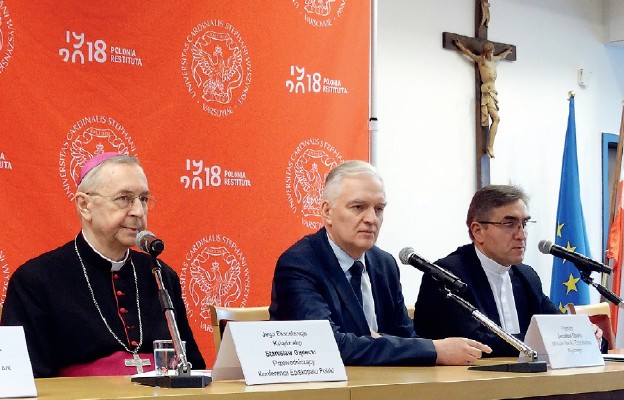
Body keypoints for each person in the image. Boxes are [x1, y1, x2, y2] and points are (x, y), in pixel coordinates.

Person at [1, 153, 205, 377]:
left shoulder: (160, 276)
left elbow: (193, 368)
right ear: (85, 205)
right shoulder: (36, 280)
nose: (138, 211)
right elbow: (25, 380)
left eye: (144, 199)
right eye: (124, 198)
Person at [270, 160, 491, 366]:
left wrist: (383, 343)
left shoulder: (384, 264)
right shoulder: (299, 264)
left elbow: (405, 337)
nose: (371, 219)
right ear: (327, 212)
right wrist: (434, 350)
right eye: (358, 207)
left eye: (379, 209)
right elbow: (325, 347)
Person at [413, 185, 602, 356]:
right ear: (478, 231)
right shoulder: (447, 275)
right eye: (509, 224)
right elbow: (478, 344)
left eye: (524, 224)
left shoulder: (526, 276)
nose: (521, 235)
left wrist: (583, 335)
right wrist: (551, 341)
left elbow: (556, 325)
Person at [453, 39, 512, 158]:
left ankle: (490, 146)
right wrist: (460, 45)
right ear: (486, 52)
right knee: (496, 118)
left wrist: (508, 51)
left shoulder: (493, 60)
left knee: (496, 119)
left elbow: (501, 56)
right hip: (487, 92)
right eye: (490, 52)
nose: (492, 54)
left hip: (493, 92)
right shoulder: (481, 61)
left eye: (493, 51)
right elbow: (469, 53)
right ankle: (490, 147)